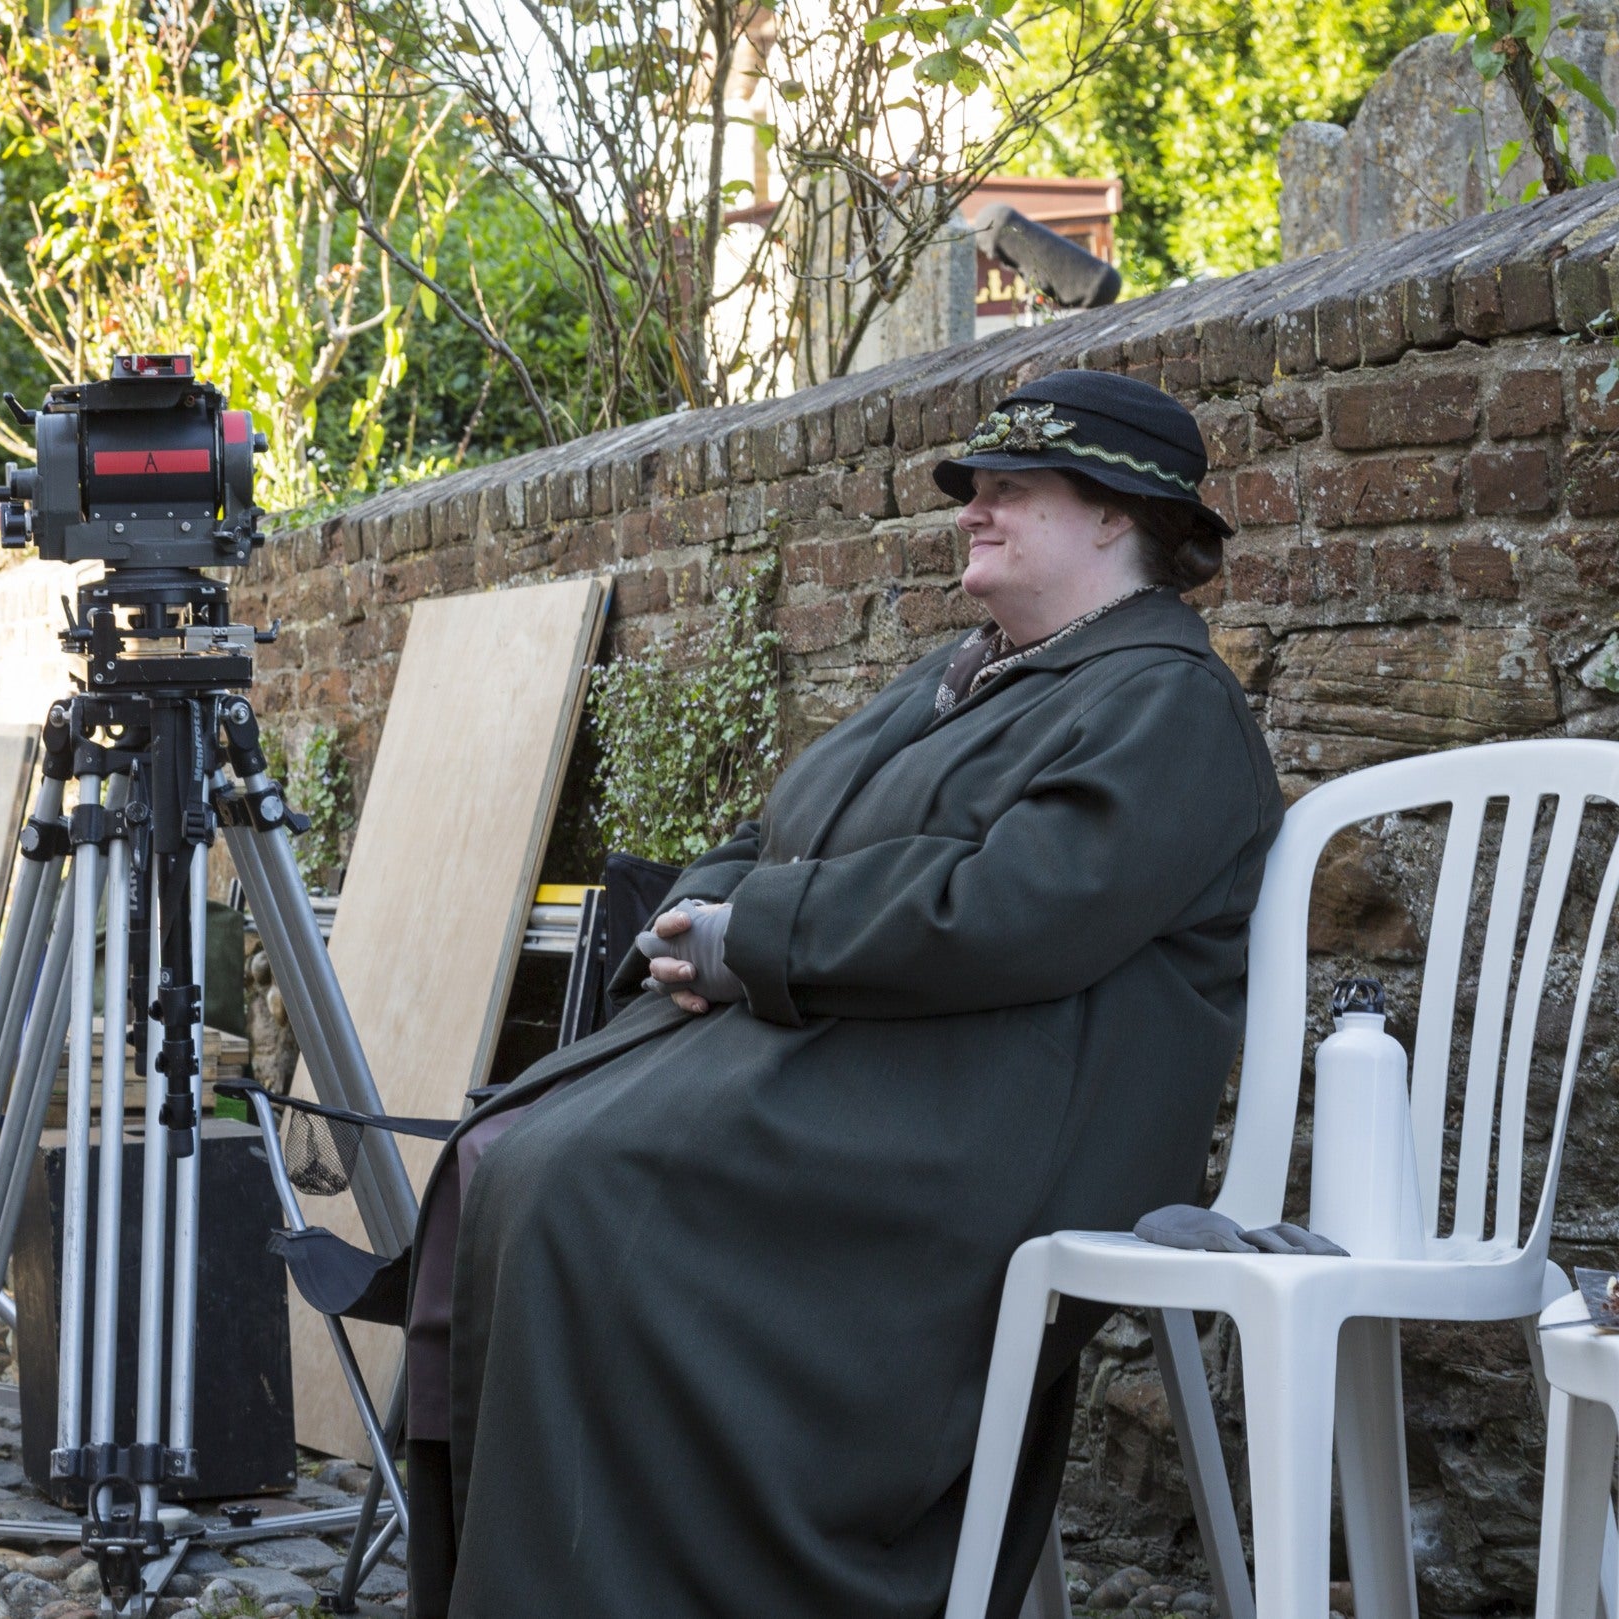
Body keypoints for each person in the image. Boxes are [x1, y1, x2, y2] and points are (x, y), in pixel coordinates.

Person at [427, 371, 1282, 1618]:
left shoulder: (1170, 703)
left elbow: (1012, 911)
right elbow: (779, 826)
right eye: (972, 490)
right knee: (504, 1153)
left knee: (584, 1190)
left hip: (992, 1128)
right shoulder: (972, 670)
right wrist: (692, 920)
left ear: (1116, 513)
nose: (971, 511)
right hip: (877, 1075)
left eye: (1010, 490)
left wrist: (757, 935)